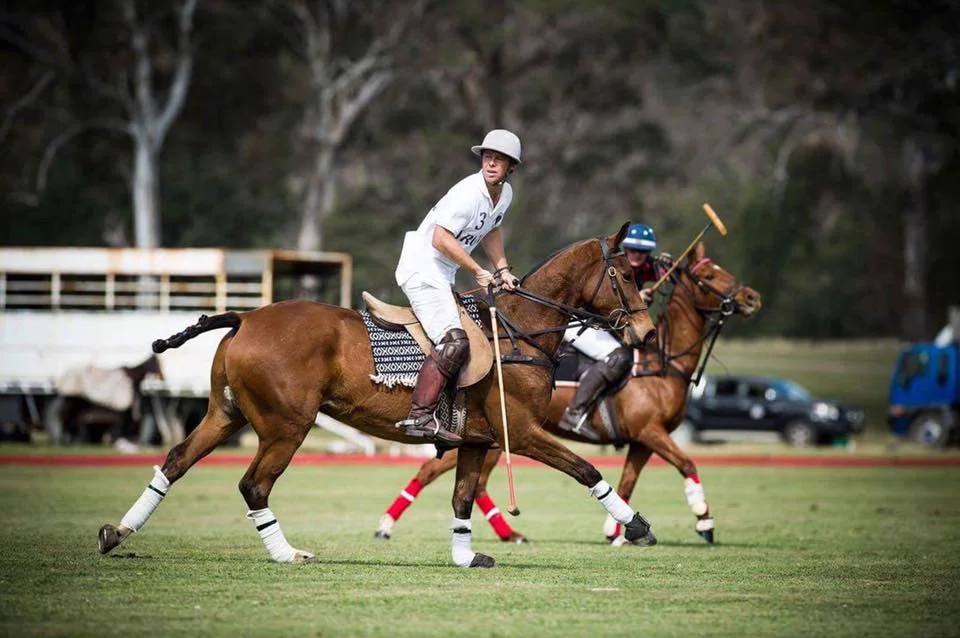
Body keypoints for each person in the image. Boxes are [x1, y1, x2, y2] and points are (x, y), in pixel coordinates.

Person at [394, 129, 523, 444]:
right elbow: (440, 239)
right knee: (454, 341)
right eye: (487, 157)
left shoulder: (504, 195)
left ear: (511, 167)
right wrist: (479, 270)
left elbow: (492, 230)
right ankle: (420, 416)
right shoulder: (468, 193)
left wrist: (502, 268)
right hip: (423, 266)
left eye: (499, 159)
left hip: (443, 272)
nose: (491, 164)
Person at [557, 223, 662, 432]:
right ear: (624, 248)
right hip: (579, 321)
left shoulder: (639, 269)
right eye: (632, 249)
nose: (637, 255)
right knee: (618, 357)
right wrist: (635, 301)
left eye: (643, 252)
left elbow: (660, 272)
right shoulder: (610, 268)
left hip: (600, 327)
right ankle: (575, 412)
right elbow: (604, 302)